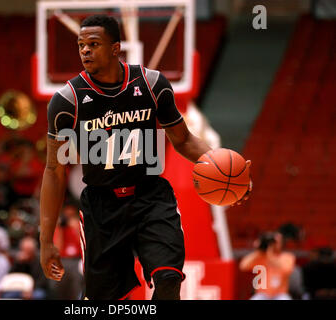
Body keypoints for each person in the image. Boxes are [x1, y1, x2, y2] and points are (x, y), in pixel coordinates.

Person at [39, 15, 250, 300]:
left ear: (115, 48)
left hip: (151, 198)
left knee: (168, 278)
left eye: (93, 44)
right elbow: (54, 170)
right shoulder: (67, 101)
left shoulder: (151, 84)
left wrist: (226, 171)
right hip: (103, 207)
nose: (85, 50)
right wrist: (46, 239)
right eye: (81, 45)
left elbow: (184, 140)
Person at [239, 231, 295, 300]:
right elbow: (243, 266)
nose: (274, 244)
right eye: (272, 242)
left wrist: (270, 254)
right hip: (262, 294)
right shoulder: (261, 256)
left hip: (280, 294)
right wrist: (259, 250)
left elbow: (287, 270)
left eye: (276, 242)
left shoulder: (287, 257)